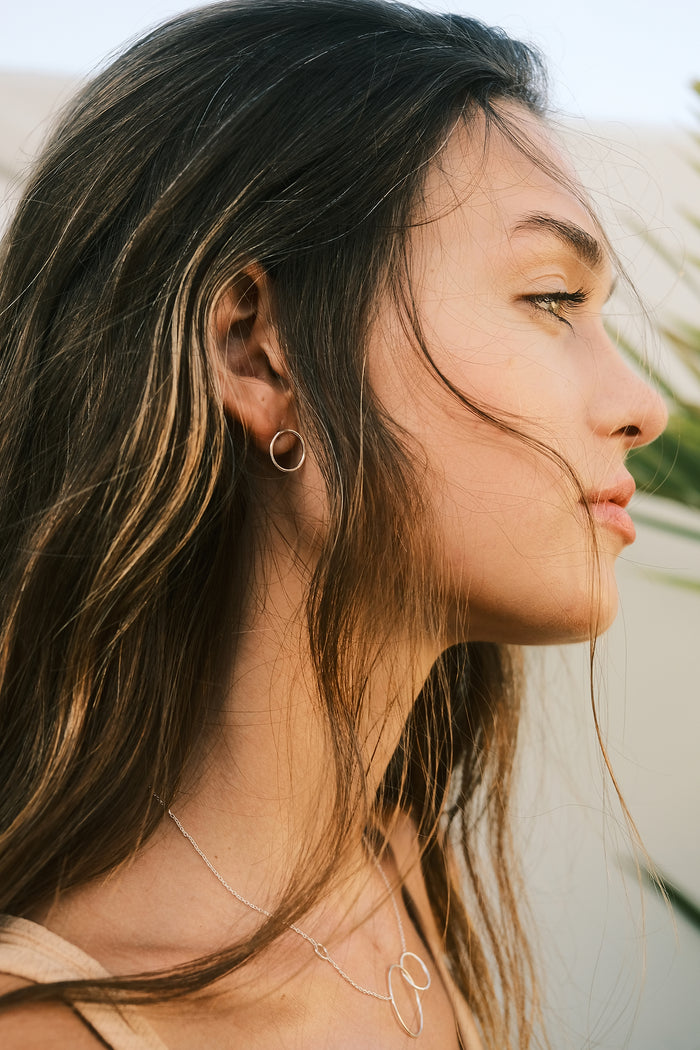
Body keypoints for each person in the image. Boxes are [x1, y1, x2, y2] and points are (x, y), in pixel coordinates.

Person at [0, 1, 667, 1047]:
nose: (643, 406)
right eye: (549, 297)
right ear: (259, 352)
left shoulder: (394, 882)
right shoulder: (54, 1027)